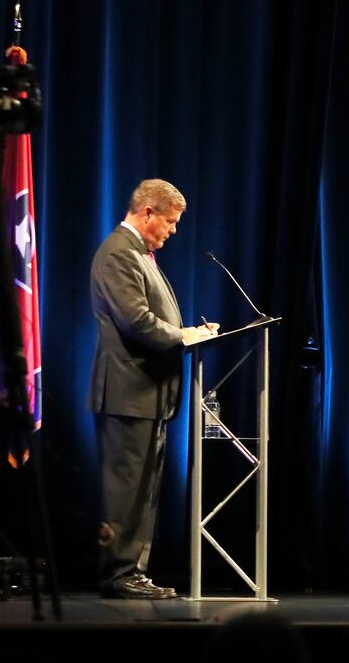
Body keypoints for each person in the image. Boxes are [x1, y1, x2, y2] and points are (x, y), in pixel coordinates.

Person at [89, 179, 216, 599]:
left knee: (142, 490)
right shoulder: (118, 254)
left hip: (148, 395)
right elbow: (138, 322)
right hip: (127, 394)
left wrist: (190, 333)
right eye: (171, 221)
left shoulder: (139, 254)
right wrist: (186, 337)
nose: (173, 230)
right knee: (125, 489)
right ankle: (119, 574)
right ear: (147, 213)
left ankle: (133, 571)